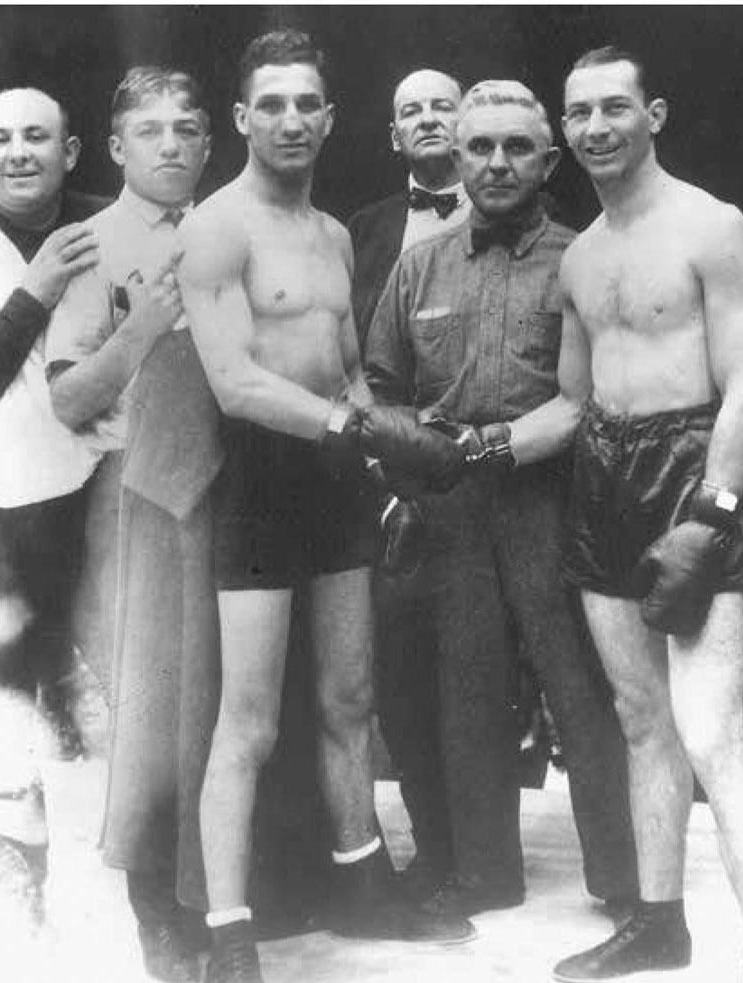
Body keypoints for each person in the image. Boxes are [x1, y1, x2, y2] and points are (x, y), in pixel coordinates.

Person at [177, 28, 473, 983]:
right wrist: (359, 426)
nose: (292, 120)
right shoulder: (218, 225)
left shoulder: (336, 234)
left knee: (350, 700)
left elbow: (345, 361)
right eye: (272, 104)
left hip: (337, 483)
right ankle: (228, 938)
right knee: (249, 721)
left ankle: (361, 882)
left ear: (332, 117)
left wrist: (387, 446)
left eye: (307, 104)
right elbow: (232, 383)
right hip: (260, 483)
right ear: (240, 118)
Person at [539, 46, 743, 983]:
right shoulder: (578, 254)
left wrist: (712, 516)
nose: (596, 128)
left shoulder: (711, 226)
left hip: (693, 477)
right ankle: (657, 926)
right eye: (579, 114)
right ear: (563, 128)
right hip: (604, 480)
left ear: (655, 113)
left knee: (708, 736)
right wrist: (465, 451)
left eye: (615, 108)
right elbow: (573, 402)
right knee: (640, 719)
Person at [362, 80, 638, 920]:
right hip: (449, 504)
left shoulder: (586, 256)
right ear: (458, 153)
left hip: (553, 496)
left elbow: (594, 397)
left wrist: (486, 444)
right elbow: (380, 384)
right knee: (466, 688)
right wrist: (410, 464)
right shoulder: (420, 264)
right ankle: (485, 874)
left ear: (549, 157)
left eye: (518, 147)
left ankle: (628, 883)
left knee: (580, 687)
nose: (497, 163)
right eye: (480, 146)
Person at [41, 65, 213, 983]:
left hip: (226, 488)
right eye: (151, 131)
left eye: (188, 128)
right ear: (114, 146)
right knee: (152, 703)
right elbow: (67, 396)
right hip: (133, 491)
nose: (173, 144)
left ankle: (215, 888)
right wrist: (140, 327)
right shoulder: (89, 243)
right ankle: (155, 900)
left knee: (220, 702)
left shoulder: (225, 229)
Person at [0, 86, 108, 939]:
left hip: (100, 500)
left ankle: (118, 908)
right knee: (2, 711)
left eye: (37, 136)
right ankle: (21, 913)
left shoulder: (108, 225)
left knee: (99, 709)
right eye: (0, 138)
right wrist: (37, 290)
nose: (19, 151)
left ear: (73, 147)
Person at [346, 68, 472, 898]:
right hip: (383, 486)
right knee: (396, 678)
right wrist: (380, 479)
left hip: (494, 482)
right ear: (393, 137)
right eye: (409, 111)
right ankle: (435, 854)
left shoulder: (528, 222)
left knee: (478, 678)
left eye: (441, 105)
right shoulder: (360, 231)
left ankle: (486, 858)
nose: (426, 118)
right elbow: (347, 362)